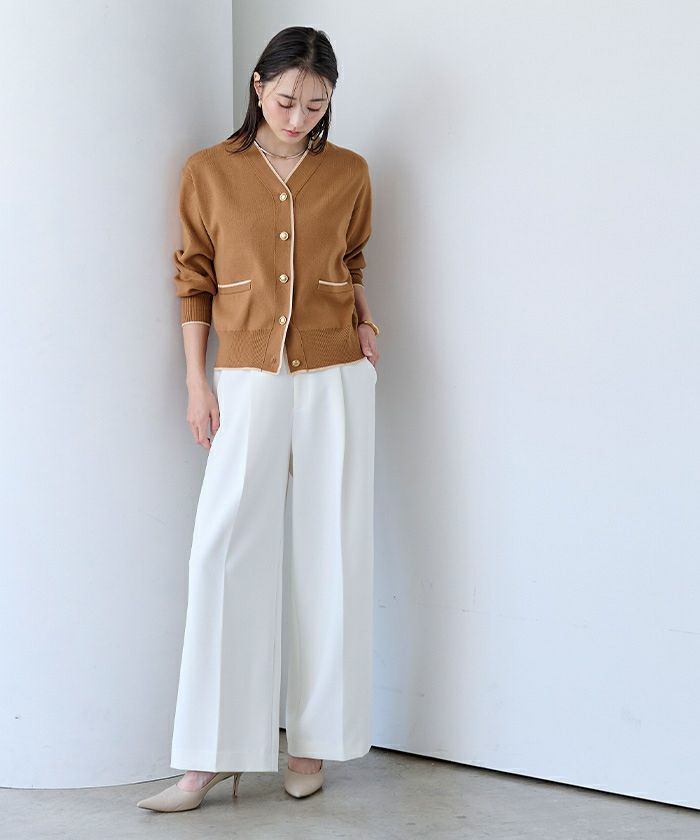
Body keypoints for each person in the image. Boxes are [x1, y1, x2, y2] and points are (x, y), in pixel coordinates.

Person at [137, 26, 380, 813]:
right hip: (244, 374)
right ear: (257, 85)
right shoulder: (209, 171)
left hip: (336, 371)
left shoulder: (350, 171)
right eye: (286, 100)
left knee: (331, 549)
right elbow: (194, 279)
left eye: (316, 104)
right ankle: (210, 757)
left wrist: (365, 320)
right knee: (223, 549)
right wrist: (196, 381)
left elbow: (352, 261)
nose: (299, 116)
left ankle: (311, 742)